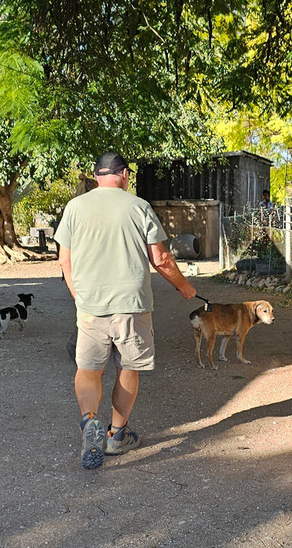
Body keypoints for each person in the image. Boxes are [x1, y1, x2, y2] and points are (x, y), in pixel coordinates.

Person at [55, 151, 197, 470]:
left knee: (89, 369)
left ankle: (90, 420)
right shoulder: (139, 206)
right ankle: (117, 435)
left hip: (91, 306)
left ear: (96, 177)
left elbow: (65, 260)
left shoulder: (75, 207)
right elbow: (160, 259)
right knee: (127, 366)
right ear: (125, 175)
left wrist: (79, 296)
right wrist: (186, 288)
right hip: (132, 305)